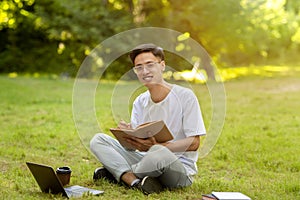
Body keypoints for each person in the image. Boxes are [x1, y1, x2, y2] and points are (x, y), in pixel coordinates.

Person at [90, 43, 206, 195]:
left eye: (150, 65)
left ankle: (117, 172)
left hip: (177, 168)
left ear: (162, 65)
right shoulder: (140, 101)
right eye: (139, 67)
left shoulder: (185, 96)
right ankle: (134, 181)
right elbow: (138, 147)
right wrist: (129, 135)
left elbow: (194, 143)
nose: (144, 71)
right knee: (98, 140)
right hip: (146, 160)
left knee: (158, 152)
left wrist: (157, 146)